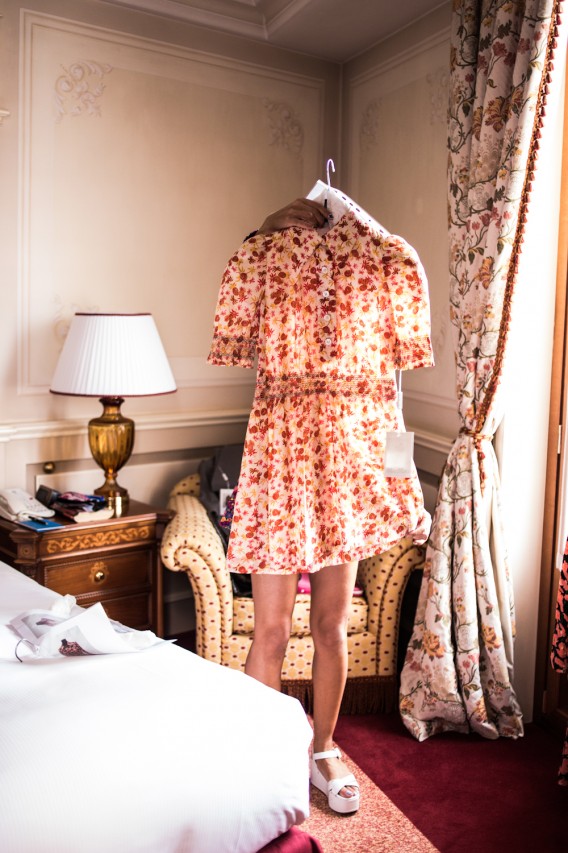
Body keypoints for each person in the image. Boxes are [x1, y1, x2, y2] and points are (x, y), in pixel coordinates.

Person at [208, 194, 433, 815]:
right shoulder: (266, 251)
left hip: (345, 468)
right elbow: (238, 308)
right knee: (272, 629)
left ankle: (324, 749)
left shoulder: (383, 257)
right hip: (279, 459)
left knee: (330, 626)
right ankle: (262, 754)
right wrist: (262, 229)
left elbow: (393, 398)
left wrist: (403, 489)